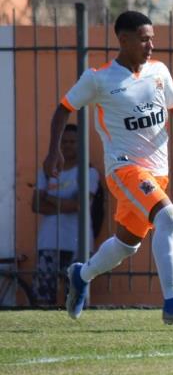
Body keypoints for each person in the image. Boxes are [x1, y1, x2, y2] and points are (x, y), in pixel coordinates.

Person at [42, 10, 173, 323]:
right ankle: (172, 302)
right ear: (123, 40)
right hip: (124, 169)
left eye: (152, 39)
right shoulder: (99, 78)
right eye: (144, 39)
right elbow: (63, 109)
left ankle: (82, 274)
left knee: (126, 245)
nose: (150, 45)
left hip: (156, 174)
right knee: (168, 216)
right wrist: (53, 151)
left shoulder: (159, 71)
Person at [31, 124, 100, 306]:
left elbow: (78, 205)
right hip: (49, 242)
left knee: (77, 297)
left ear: (80, 145)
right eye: (64, 142)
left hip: (79, 243)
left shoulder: (89, 172)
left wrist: (50, 197)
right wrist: (65, 204)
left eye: (72, 142)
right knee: (44, 297)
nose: (68, 146)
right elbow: (36, 205)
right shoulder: (47, 172)